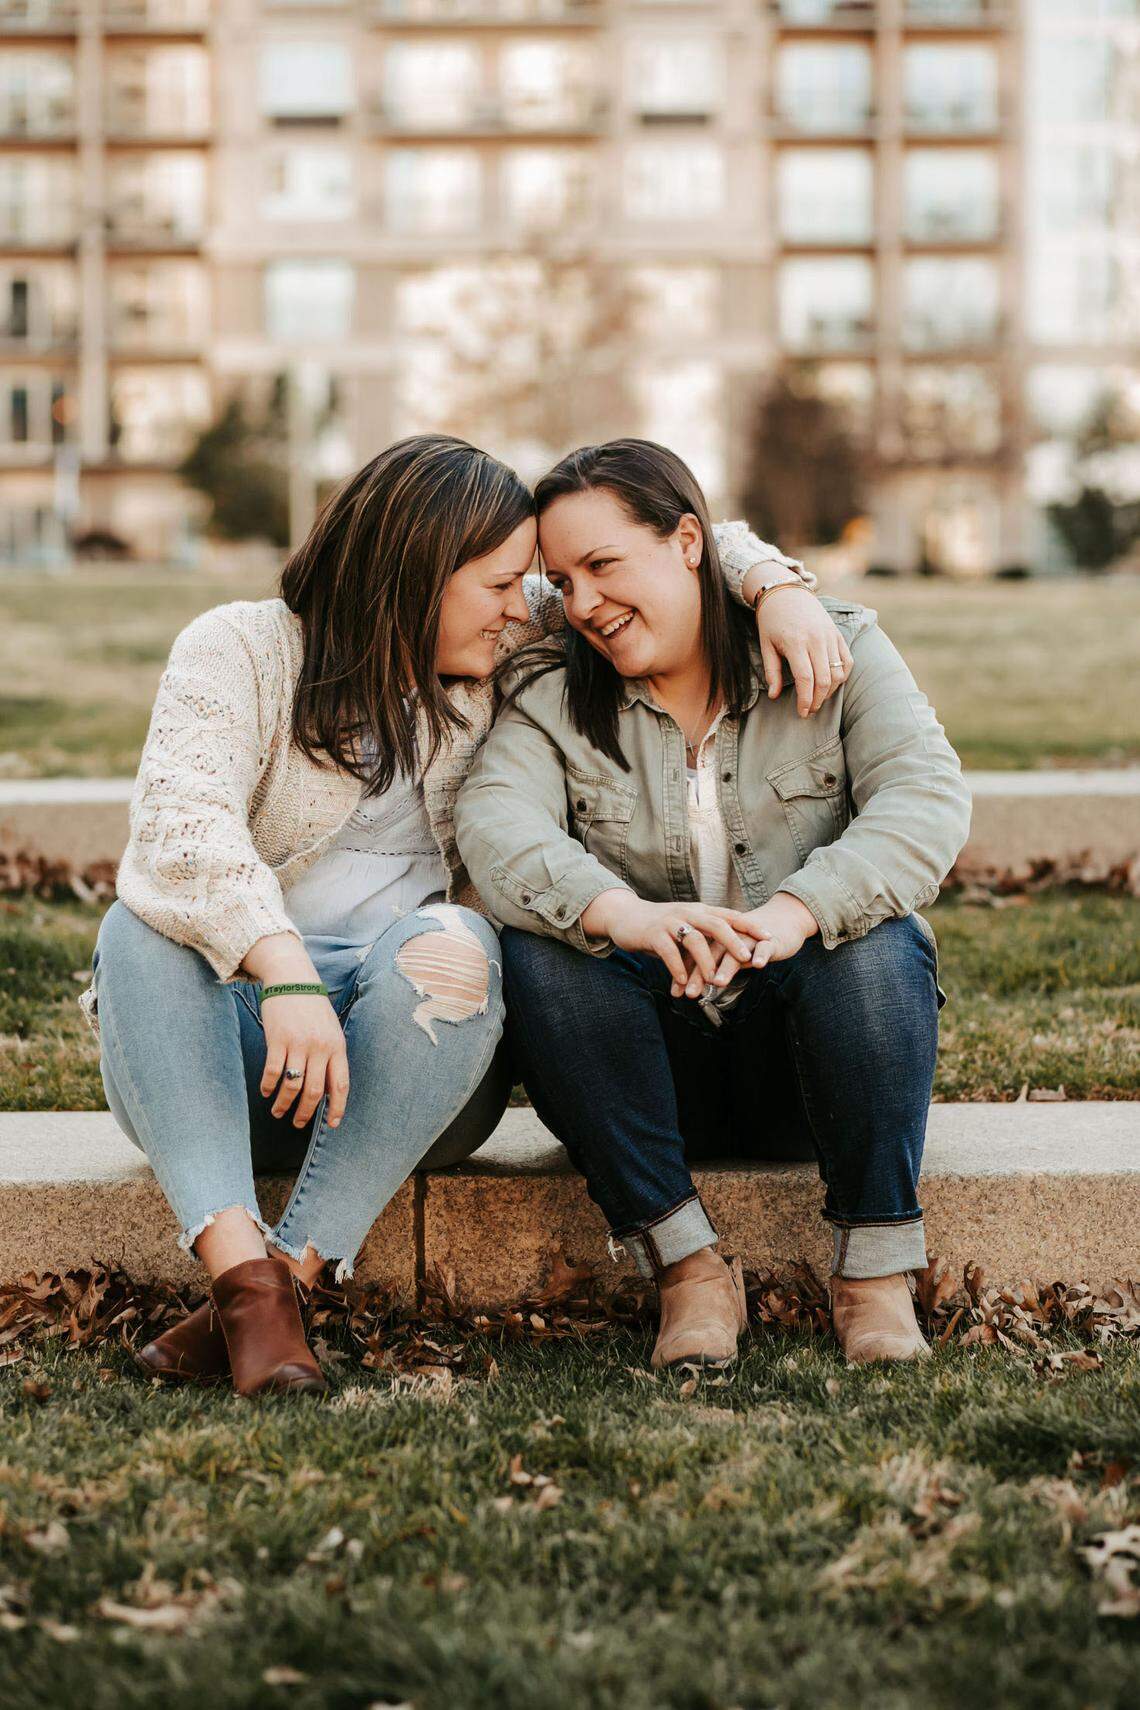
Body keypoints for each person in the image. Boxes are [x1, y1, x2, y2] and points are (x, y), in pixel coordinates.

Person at [81, 433, 850, 1398]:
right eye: (499, 585)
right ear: (412, 574)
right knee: (137, 929)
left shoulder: (500, 652)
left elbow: (664, 543)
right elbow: (179, 830)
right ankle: (252, 1286)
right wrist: (281, 972)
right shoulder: (238, 648)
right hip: (218, 1060)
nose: (527, 605)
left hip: (405, 1072)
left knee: (460, 944)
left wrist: (774, 586)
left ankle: (292, 1277)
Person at [454, 439, 972, 1374]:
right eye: (562, 580)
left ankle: (875, 1277)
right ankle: (689, 1273)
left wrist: (797, 913)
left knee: (882, 942)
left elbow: (926, 801)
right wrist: (624, 915)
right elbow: (496, 828)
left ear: (690, 542)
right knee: (538, 952)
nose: (584, 606)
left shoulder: (837, 645)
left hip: (808, 1064)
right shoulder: (548, 691)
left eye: (605, 566)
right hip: (647, 1072)